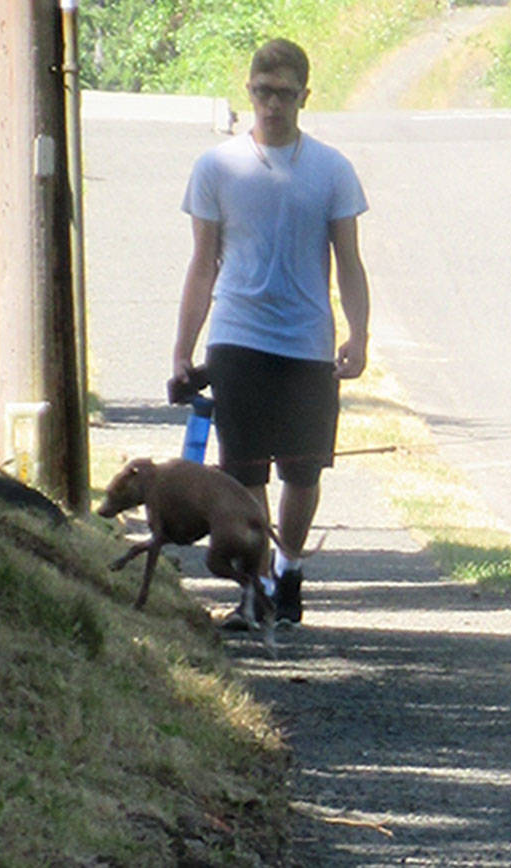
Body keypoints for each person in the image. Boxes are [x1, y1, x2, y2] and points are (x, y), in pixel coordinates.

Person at [172, 38, 370, 628]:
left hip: (307, 340)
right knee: (244, 472)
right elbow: (202, 263)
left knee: (303, 472)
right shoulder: (217, 167)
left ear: (305, 96)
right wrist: (183, 350)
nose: (272, 105)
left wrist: (359, 336)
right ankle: (255, 589)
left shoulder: (331, 169)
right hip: (238, 336)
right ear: (249, 90)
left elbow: (349, 261)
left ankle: (289, 570)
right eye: (262, 92)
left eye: (284, 94)